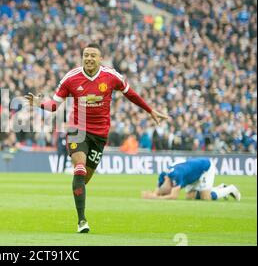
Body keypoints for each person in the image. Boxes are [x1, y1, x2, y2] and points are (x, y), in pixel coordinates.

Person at [25, 43, 169, 233]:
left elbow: (131, 94)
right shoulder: (71, 77)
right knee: (79, 169)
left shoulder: (111, 76)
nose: (89, 58)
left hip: (100, 134)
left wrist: (150, 110)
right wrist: (39, 103)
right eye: (86, 55)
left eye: (93, 55)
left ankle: (78, 191)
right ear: (82, 57)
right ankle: (82, 221)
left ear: (100, 59)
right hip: (78, 129)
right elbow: (54, 105)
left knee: (84, 178)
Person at [142, 157, 241, 201]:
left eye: (170, 188)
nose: (170, 189)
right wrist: (153, 194)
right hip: (191, 174)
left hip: (204, 168)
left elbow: (173, 196)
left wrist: (156, 198)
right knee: (190, 197)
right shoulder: (163, 175)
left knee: (206, 197)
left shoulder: (176, 174)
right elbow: (159, 189)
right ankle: (221, 188)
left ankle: (230, 189)